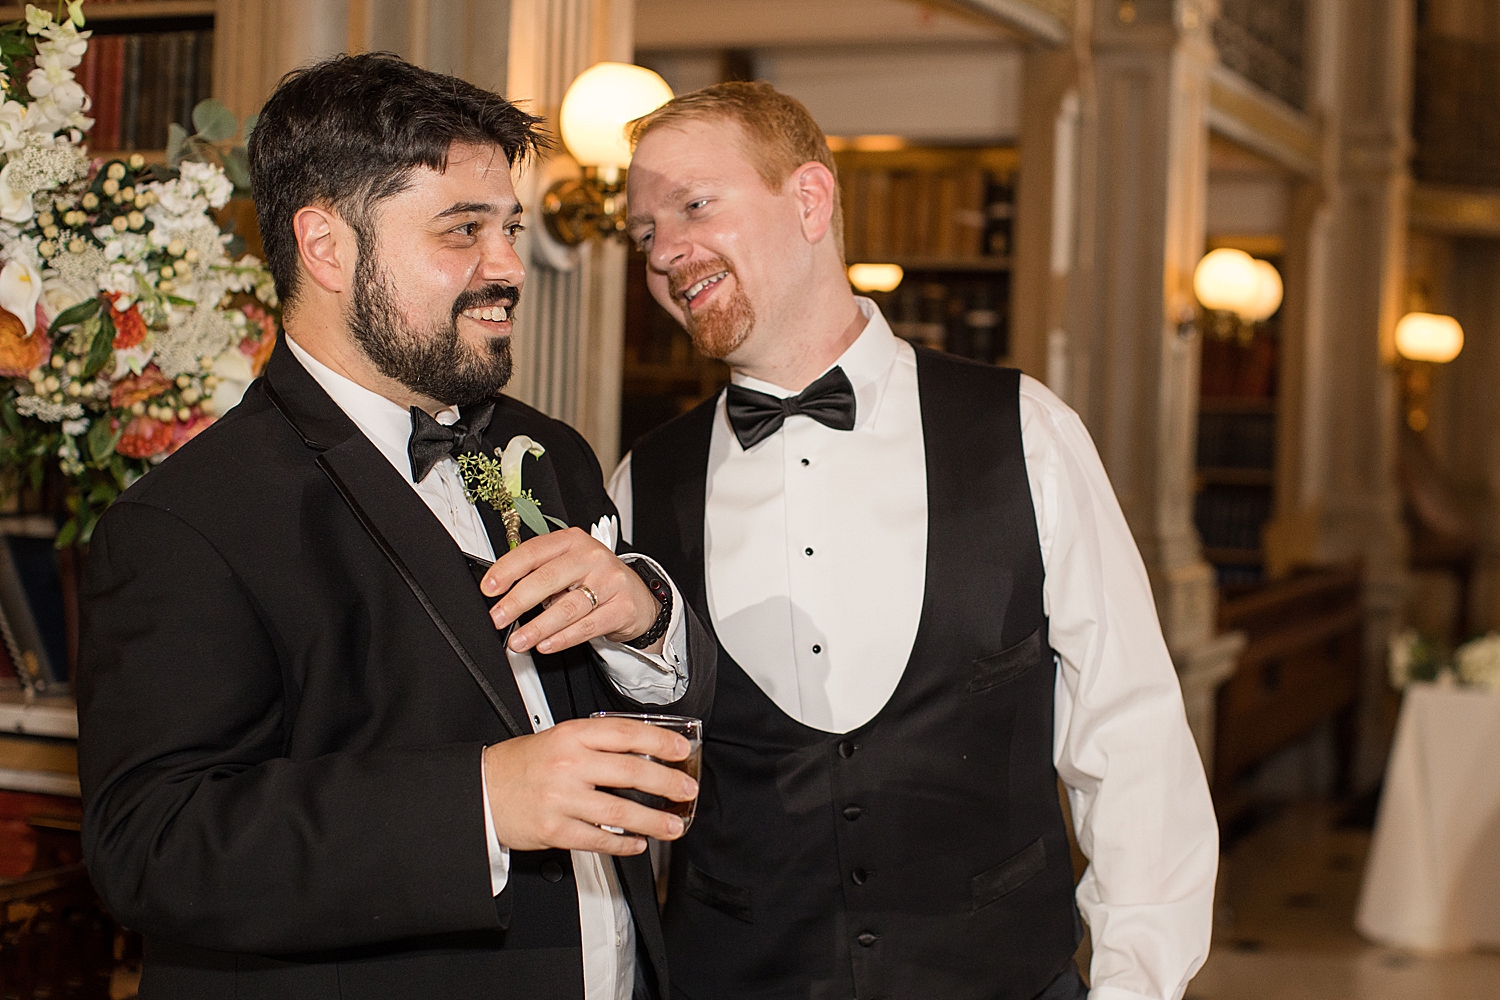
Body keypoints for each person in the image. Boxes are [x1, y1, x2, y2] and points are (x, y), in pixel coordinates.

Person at [77, 53, 713, 1000]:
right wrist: (486, 802)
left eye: (510, 229)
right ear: (326, 246)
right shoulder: (186, 521)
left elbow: (651, 720)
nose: (505, 268)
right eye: (463, 230)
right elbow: (155, 846)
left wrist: (646, 624)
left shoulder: (554, 455)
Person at [610, 81, 1218, 1000]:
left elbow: (1130, 744)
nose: (666, 252)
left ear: (810, 200)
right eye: (644, 232)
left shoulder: (1026, 433)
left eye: (694, 205)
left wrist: (1136, 987)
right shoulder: (638, 482)